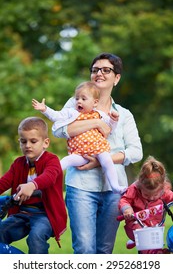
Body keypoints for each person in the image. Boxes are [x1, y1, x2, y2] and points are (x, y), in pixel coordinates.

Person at [44, 52, 143, 254]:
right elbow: (59, 129)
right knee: (84, 249)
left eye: (106, 70)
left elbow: (136, 151)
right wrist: (97, 122)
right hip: (81, 186)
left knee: (104, 251)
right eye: (95, 70)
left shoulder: (123, 114)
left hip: (113, 191)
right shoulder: (75, 103)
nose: (99, 73)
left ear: (116, 78)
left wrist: (100, 161)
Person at [32, 81, 127, 194]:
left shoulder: (100, 115)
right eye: (77, 99)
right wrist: (45, 109)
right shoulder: (71, 112)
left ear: (95, 102)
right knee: (66, 160)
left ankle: (115, 186)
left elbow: (110, 128)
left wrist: (114, 119)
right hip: (80, 153)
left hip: (98, 150)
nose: (79, 101)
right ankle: (45, 177)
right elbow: (56, 116)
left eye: (83, 99)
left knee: (107, 161)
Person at [0, 117, 67, 254]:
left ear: (45, 142)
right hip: (22, 213)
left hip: (45, 214)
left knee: (36, 237)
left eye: (33, 141)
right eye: (23, 141)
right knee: (1, 231)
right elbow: (4, 183)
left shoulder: (52, 160)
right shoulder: (18, 164)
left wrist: (32, 185)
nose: (28, 145)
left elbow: (49, 176)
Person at [118, 155, 173, 254]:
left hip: (155, 227)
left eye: (155, 194)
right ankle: (154, 251)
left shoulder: (164, 191)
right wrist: (127, 209)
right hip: (136, 225)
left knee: (154, 243)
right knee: (147, 245)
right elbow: (124, 200)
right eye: (146, 194)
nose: (151, 198)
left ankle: (154, 251)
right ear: (140, 185)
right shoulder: (134, 189)